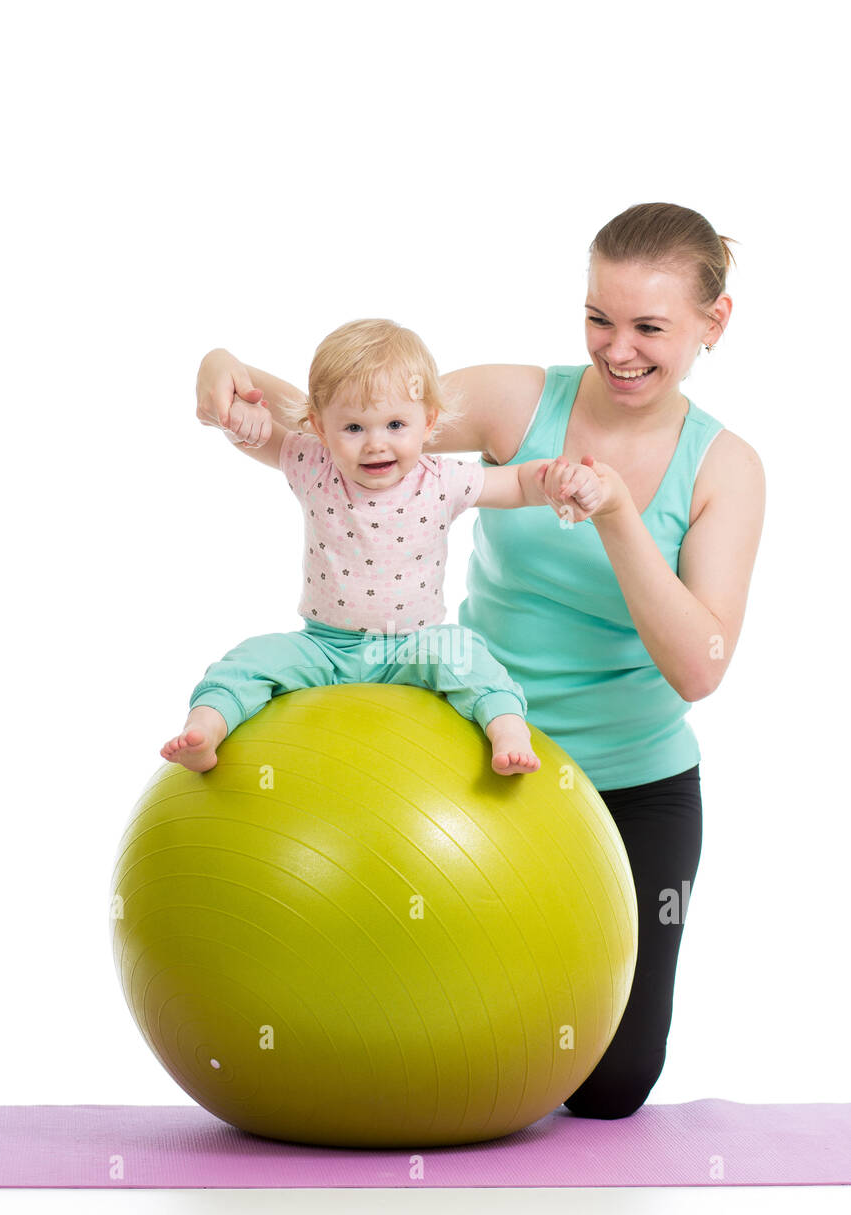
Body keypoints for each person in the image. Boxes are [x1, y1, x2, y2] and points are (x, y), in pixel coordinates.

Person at [193, 203, 766, 1119]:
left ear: (714, 322)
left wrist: (617, 515)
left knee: (614, 1088)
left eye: (649, 327)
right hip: (483, 759)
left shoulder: (725, 467)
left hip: (633, 783)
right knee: (434, 1019)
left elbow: (700, 668)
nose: (619, 349)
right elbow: (353, 422)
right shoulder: (516, 400)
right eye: (599, 318)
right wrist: (229, 372)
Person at [162, 317, 600, 777]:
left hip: (415, 646)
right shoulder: (312, 463)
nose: (375, 444)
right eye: (353, 427)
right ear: (320, 427)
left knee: (467, 655)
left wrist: (553, 480)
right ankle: (204, 730)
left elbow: (515, 482)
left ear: (428, 422)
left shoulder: (441, 479)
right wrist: (234, 409)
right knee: (250, 660)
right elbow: (255, 433)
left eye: (395, 424)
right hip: (324, 647)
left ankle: (508, 730)